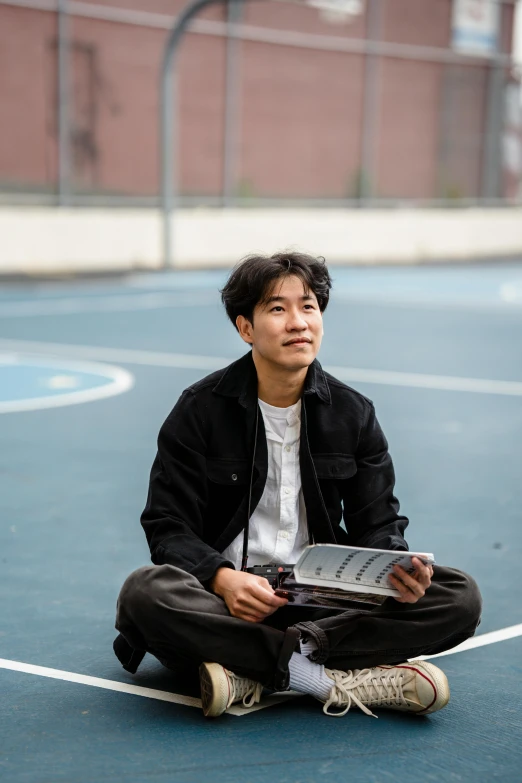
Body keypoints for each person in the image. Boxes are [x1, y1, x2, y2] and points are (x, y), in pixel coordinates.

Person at [114, 251, 482, 719]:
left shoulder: (354, 413)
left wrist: (399, 569)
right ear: (246, 328)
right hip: (228, 601)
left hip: (326, 600)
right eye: (277, 309)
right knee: (144, 593)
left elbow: (379, 522)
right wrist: (222, 580)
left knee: (458, 595)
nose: (298, 323)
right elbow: (167, 526)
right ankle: (328, 678)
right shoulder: (199, 411)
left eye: (308, 307)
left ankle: (255, 669)